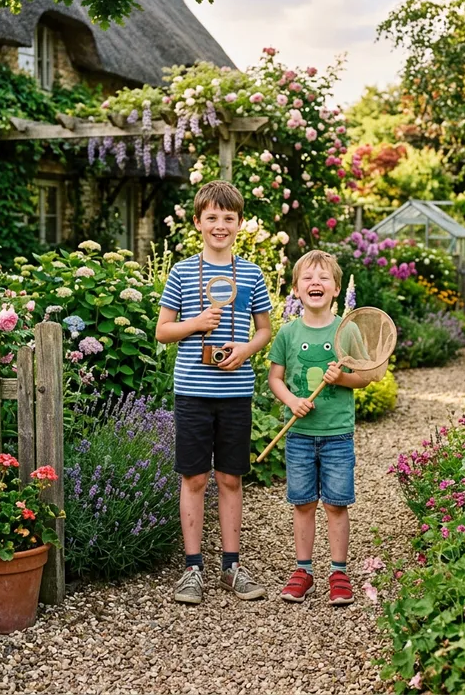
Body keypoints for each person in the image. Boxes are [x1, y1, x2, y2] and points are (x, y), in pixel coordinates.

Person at [156, 180, 272, 605]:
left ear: (239, 224)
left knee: (229, 477)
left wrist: (245, 350)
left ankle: (231, 567)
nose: (220, 225)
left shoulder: (252, 274)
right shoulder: (183, 272)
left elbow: (264, 331)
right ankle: (192, 570)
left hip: (236, 391)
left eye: (228, 218)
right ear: (198, 222)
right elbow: (163, 330)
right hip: (193, 390)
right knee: (194, 476)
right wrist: (197, 323)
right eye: (212, 218)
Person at [268, 250, 369, 606]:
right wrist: (291, 401)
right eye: (308, 279)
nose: (316, 283)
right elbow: (275, 378)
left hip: (336, 435)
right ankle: (303, 570)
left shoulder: (348, 330)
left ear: (337, 289)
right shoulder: (287, 333)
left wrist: (343, 377)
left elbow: (365, 378)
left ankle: (339, 572)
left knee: (337, 505)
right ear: (295, 289)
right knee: (303, 504)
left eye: (324, 278)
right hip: (298, 436)